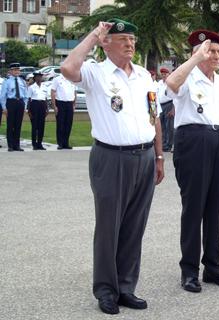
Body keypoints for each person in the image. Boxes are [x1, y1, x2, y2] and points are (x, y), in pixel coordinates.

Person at [60, 18, 165, 314]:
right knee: (109, 227)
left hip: (144, 156)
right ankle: (106, 289)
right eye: (122, 40)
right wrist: (95, 34)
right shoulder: (96, 72)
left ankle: (126, 287)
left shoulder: (144, 75)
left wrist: (158, 155)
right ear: (106, 44)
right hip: (111, 157)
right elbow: (68, 69)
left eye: (132, 40)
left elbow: (153, 116)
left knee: (135, 226)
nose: (130, 45)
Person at [166, 29, 219, 293]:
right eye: (210, 51)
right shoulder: (188, 75)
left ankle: (213, 268)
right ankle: (189, 270)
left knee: (215, 208)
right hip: (193, 141)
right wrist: (195, 59)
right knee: (193, 208)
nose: (216, 55)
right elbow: (171, 84)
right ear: (197, 52)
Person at [0, 63, 28, 152]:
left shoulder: (22, 81)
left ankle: (17, 145)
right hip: (11, 103)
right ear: (11, 71)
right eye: (15, 70)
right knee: (10, 125)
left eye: (18, 70)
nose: (17, 71)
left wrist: (25, 105)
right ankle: (10, 146)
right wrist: (4, 107)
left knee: (18, 125)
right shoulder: (7, 81)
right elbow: (3, 96)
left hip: (20, 102)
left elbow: (26, 95)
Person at [51, 74, 76, 149]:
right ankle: (60, 143)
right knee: (60, 124)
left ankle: (66, 143)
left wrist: (74, 104)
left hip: (70, 103)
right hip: (60, 103)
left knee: (68, 124)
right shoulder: (57, 79)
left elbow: (74, 92)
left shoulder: (72, 79)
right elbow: (53, 92)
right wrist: (54, 105)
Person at [27, 72, 48, 150]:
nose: (39, 78)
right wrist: (28, 111)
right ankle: (34, 144)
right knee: (34, 126)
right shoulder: (31, 87)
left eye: (40, 77)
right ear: (35, 78)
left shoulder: (44, 87)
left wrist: (47, 109)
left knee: (41, 126)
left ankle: (40, 144)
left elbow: (45, 98)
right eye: (37, 77)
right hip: (34, 105)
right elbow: (29, 99)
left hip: (42, 106)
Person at [158, 67, 175, 152]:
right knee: (162, 126)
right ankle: (163, 143)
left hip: (169, 104)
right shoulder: (159, 83)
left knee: (169, 126)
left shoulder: (170, 83)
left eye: (165, 74)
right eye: (162, 74)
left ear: (169, 74)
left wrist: (173, 108)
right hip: (160, 105)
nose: (164, 76)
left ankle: (169, 144)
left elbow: (175, 96)